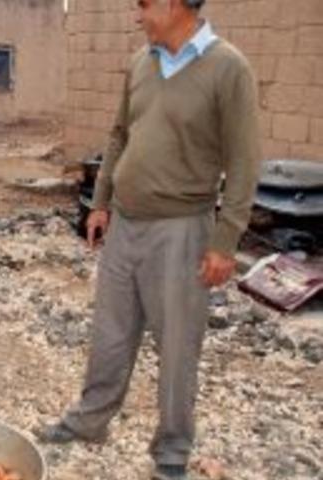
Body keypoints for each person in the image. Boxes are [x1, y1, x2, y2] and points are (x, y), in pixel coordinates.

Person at [35, 1, 261, 480]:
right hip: (125, 223)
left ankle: (173, 450)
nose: (137, 16)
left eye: (144, 5)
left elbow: (244, 162)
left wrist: (225, 241)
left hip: (182, 228)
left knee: (178, 345)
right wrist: (101, 202)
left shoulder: (228, 68)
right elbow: (119, 135)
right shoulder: (142, 62)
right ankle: (90, 420)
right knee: (110, 335)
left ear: (176, 4)